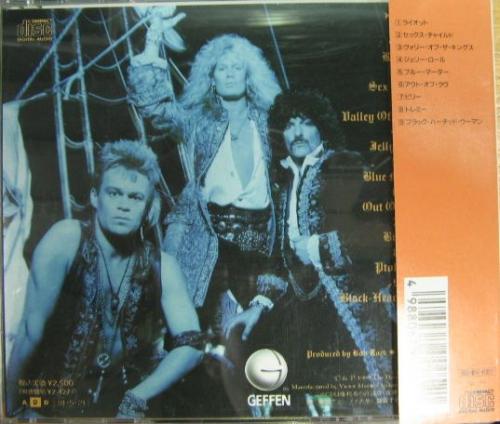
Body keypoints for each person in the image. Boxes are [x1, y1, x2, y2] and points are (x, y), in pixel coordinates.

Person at [6, 140, 203, 418]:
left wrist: (137, 396)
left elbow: (192, 345)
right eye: (114, 193)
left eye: (135, 197)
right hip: (52, 404)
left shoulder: (163, 266)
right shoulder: (66, 239)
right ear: (95, 197)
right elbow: (30, 332)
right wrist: (10, 408)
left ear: (148, 208)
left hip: (119, 407)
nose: (123, 205)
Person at [127, 18, 282, 345]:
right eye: (221, 68)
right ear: (211, 78)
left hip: (259, 244)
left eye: (237, 67)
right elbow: (154, 108)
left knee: (253, 339)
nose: (230, 74)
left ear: (249, 76)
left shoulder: (269, 120)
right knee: (190, 335)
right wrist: (153, 42)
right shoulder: (198, 119)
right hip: (205, 238)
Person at [258, 89, 394, 416]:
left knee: (362, 402)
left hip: (348, 308)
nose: (298, 133)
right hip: (301, 316)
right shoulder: (283, 183)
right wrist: (261, 301)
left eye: (306, 123)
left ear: (321, 128)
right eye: (289, 125)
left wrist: (318, 247)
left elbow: (380, 234)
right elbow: (281, 256)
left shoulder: (343, 164)